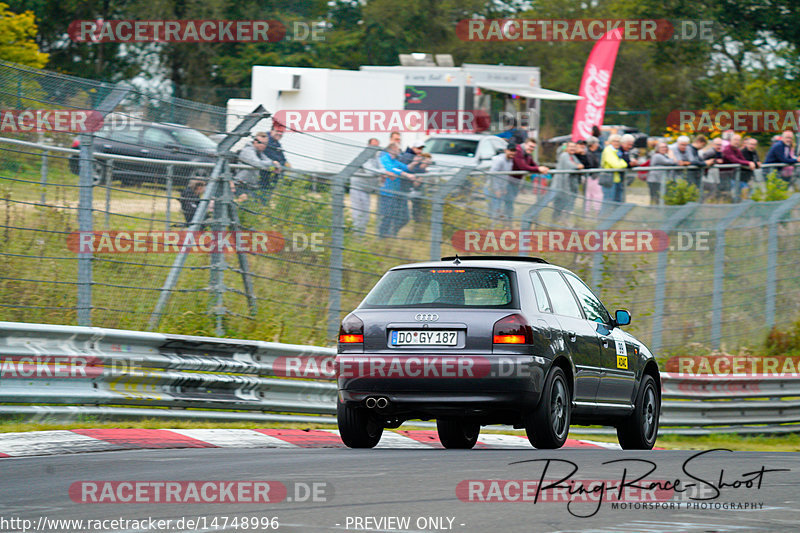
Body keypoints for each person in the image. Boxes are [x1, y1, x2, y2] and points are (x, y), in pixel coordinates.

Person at [377, 143, 415, 238]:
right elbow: (391, 169)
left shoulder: (395, 160)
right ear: (392, 149)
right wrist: (406, 175)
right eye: (398, 149)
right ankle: (382, 238)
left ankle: (391, 235)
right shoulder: (385, 159)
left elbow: (406, 168)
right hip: (387, 193)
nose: (399, 151)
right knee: (387, 217)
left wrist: (415, 162)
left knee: (400, 217)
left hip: (395, 193)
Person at [511, 138, 550, 219]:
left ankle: (507, 221)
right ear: (525, 144)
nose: (531, 148)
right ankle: (503, 222)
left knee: (510, 202)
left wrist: (541, 168)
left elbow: (533, 164)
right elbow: (523, 167)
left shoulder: (528, 153)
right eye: (530, 146)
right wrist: (538, 169)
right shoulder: (518, 151)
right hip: (506, 180)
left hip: (516, 181)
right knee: (506, 203)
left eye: (533, 147)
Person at [234, 132, 279, 203]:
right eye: (262, 143)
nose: (264, 146)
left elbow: (268, 162)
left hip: (251, 186)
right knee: (243, 200)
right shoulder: (247, 151)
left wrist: (274, 165)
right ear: (255, 141)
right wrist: (272, 163)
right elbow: (258, 163)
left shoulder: (260, 153)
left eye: (265, 144)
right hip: (239, 184)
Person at [351, 138, 381, 233]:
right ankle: (356, 237)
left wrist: (384, 172)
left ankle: (361, 236)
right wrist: (383, 173)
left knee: (365, 216)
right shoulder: (364, 156)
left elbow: (382, 168)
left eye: (377, 146)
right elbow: (370, 171)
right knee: (358, 214)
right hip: (358, 189)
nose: (375, 149)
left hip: (366, 190)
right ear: (368, 146)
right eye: (373, 146)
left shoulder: (376, 158)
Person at [553, 141, 583, 220]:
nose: (572, 148)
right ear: (566, 148)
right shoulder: (564, 155)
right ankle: (556, 222)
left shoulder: (573, 156)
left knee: (568, 205)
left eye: (574, 147)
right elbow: (572, 166)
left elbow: (581, 165)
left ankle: (565, 221)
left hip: (569, 185)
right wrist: (577, 166)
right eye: (570, 146)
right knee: (559, 205)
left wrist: (578, 165)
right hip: (561, 185)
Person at [488, 143, 517, 225]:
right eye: (511, 151)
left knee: (500, 208)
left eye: (514, 151)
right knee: (495, 209)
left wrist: (503, 188)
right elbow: (492, 174)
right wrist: (496, 189)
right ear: (506, 151)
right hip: (492, 187)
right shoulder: (500, 160)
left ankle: (499, 226)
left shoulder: (510, 161)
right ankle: (492, 227)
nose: (513, 153)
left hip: (501, 188)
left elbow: (505, 176)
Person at [721, 134, 756, 200]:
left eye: (738, 140)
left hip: (732, 175)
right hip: (724, 175)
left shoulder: (737, 150)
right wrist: (749, 163)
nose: (737, 142)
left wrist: (750, 163)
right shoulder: (727, 149)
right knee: (730, 194)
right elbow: (735, 160)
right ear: (730, 140)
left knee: (740, 193)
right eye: (735, 140)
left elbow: (742, 159)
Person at [600, 134, 628, 203]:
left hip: (616, 179)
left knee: (617, 202)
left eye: (618, 141)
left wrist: (621, 162)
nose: (616, 143)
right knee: (608, 201)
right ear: (610, 142)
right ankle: (605, 214)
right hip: (609, 180)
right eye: (614, 141)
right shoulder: (608, 150)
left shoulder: (617, 151)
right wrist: (624, 163)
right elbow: (616, 165)